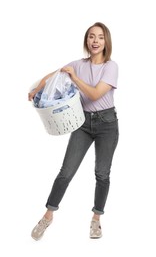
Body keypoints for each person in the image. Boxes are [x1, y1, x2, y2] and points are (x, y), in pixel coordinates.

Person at [28, 22, 119, 240]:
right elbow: (53, 76)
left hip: (107, 124)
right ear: (86, 40)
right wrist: (36, 90)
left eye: (99, 37)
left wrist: (75, 78)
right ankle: (47, 216)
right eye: (91, 37)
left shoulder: (111, 66)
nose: (95, 41)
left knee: (102, 174)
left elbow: (96, 94)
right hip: (82, 123)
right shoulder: (78, 64)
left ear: (106, 41)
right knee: (66, 172)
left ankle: (96, 219)